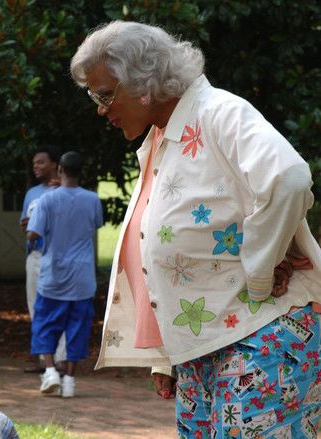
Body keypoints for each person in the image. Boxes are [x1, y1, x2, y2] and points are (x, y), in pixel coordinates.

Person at [71, 21, 321, 437]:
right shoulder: (163, 138)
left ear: (143, 80)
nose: (100, 108)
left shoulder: (219, 112)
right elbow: (168, 247)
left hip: (261, 335)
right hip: (203, 349)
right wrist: (167, 356)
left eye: (104, 94)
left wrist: (261, 269)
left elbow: (289, 179)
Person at [26, 151, 103, 398]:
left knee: (45, 324)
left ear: (59, 169)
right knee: (77, 328)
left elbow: (33, 233)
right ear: (82, 172)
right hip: (82, 277)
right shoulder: (92, 200)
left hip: (53, 275)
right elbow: (95, 225)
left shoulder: (47, 200)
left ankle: (49, 372)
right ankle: (69, 379)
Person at [19, 145, 67, 374]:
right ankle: (43, 358)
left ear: (54, 165)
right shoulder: (31, 193)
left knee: (59, 306)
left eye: (40, 162)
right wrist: (27, 226)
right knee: (35, 307)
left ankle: (60, 358)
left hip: (58, 257)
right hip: (35, 255)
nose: (36, 166)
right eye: (34, 163)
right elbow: (25, 224)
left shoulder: (65, 190)